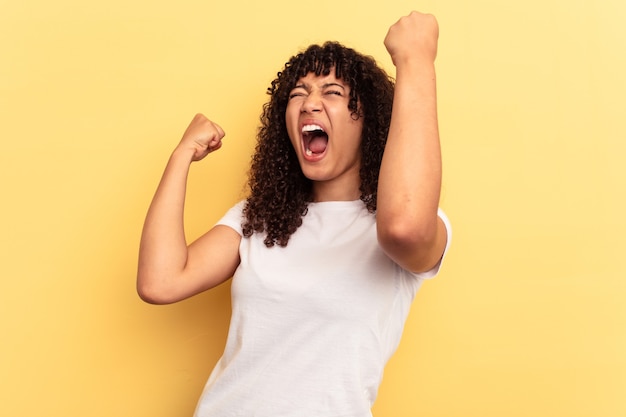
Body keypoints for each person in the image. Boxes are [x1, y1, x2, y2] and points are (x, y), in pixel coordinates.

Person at [138, 10, 451, 417]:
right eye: (298, 94)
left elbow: (404, 226)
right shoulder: (259, 217)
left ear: (369, 121)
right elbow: (160, 282)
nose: (309, 105)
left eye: (333, 93)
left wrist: (416, 60)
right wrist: (181, 156)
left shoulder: (409, 224)